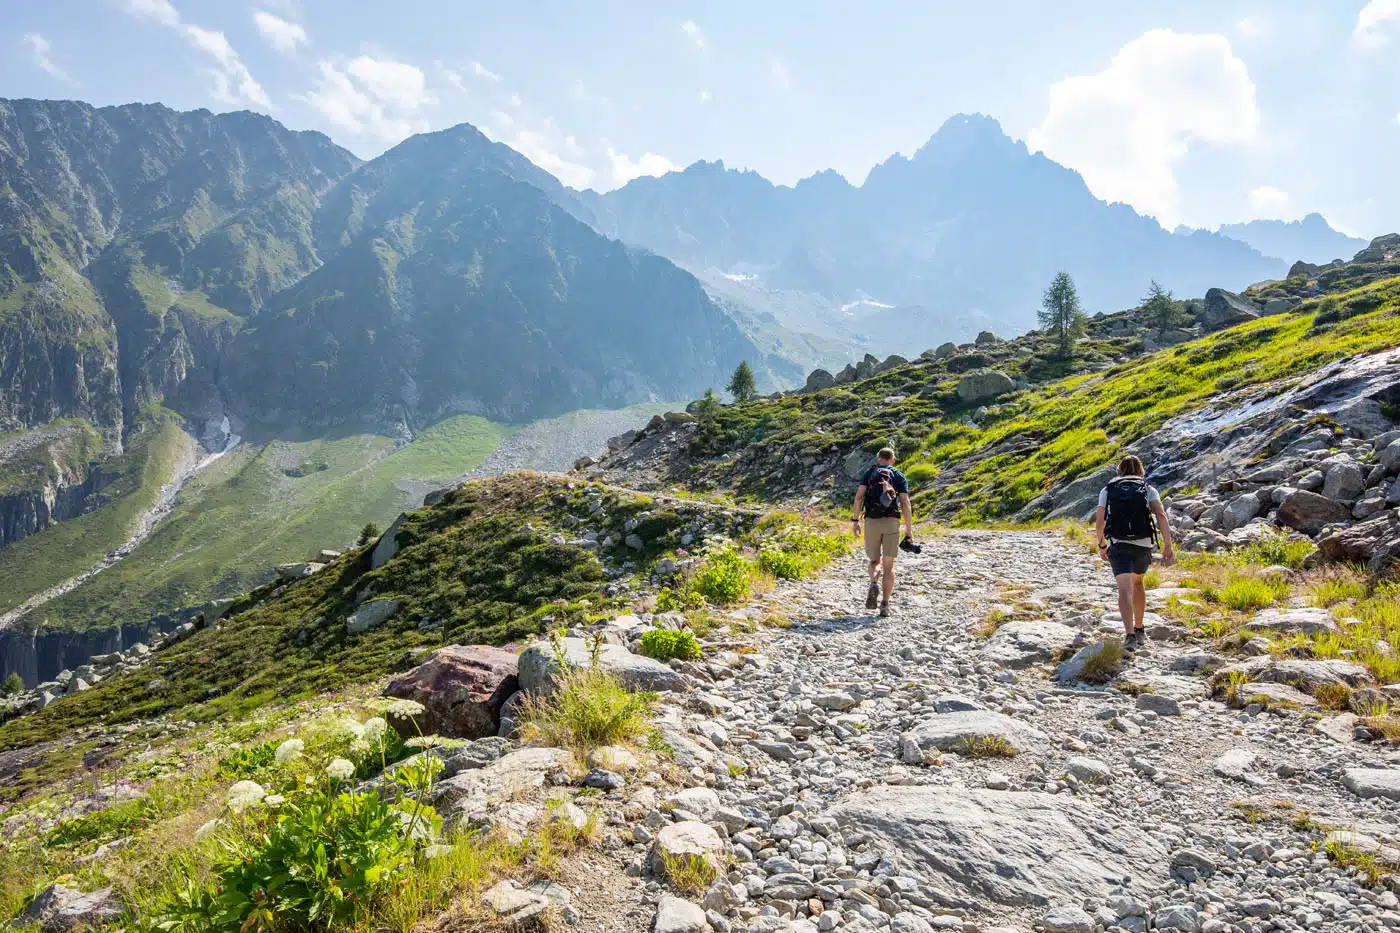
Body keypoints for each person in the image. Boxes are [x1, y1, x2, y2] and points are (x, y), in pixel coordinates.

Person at [1095, 454, 1174, 649]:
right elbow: (1161, 515)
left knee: (1124, 587)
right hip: (1143, 544)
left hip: (1119, 543)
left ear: (1119, 470)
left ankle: (1129, 634)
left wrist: (1101, 543)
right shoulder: (1148, 489)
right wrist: (1168, 545)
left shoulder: (1108, 489)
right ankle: (1140, 629)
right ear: (1140, 470)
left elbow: (1100, 517)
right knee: (1138, 583)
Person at [851, 447, 914, 617]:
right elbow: (905, 503)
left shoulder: (870, 473)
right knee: (889, 565)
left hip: (871, 521)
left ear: (879, 459)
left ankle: (873, 582)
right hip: (892, 522)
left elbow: (858, 498)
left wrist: (855, 521)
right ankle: (885, 605)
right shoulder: (898, 475)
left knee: (874, 561)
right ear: (893, 460)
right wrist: (909, 530)